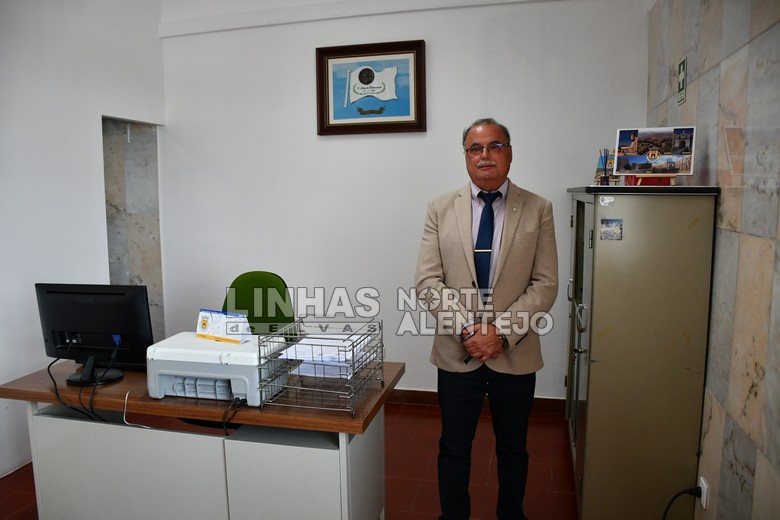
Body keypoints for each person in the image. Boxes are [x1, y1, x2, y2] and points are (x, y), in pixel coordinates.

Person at [414, 118, 558, 520]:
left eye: (495, 146)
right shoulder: (440, 208)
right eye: (475, 149)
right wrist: (468, 330)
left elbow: (545, 283)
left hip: (515, 354)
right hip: (456, 353)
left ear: (509, 153)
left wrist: (501, 333)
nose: (485, 156)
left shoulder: (538, 208)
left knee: (513, 448)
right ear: (466, 157)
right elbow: (427, 281)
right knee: (453, 447)